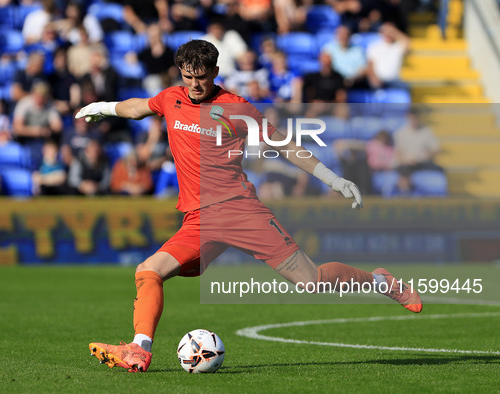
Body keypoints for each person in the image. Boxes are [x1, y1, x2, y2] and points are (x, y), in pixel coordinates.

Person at [75, 39, 422, 373]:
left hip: (241, 211)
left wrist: (333, 179)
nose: (195, 84)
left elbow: (284, 145)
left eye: (202, 76)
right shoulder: (172, 98)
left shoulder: (237, 108)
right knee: (148, 271)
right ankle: (139, 350)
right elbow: (138, 107)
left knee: (311, 281)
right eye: (188, 76)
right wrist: (103, 108)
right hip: (200, 220)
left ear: (215, 71)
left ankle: (380, 281)